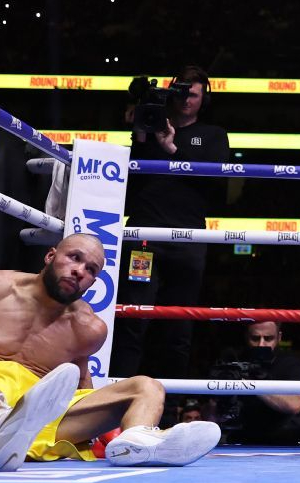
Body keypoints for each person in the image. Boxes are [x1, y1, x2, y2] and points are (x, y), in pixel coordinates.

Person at [0, 234, 219, 472]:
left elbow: (82, 385)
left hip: (39, 414)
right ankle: (0, 431)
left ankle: (134, 442)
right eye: (75, 258)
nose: (80, 271)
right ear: (50, 256)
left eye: (91, 270)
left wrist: (103, 431)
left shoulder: (88, 328)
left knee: (147, 386)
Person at [112, 65, 230, 379]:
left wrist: (171, 149)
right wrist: (139, 132)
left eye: (193, 94)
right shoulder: (149, 127)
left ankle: (171, 404)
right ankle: (119, 394)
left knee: (179, 324)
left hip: (188, 242)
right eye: (180, 92)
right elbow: (131, 180)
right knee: (133, 318)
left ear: (204, 99)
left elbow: (217, 183)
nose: (186, 99)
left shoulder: (213, 135)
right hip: (145, 235)